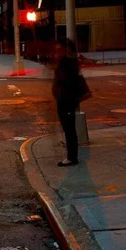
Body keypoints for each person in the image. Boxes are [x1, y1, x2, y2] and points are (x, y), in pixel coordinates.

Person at [52, 38, 89, 167]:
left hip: (67, 101)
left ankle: (71, 157)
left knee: (69, 129)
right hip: (67, 100)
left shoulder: (67, 63)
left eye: (59, 50)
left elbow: (67, 83)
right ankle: (71, 156)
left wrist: (65, 98)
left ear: (65, 49)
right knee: (69, 129)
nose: (56, 53)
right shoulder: (68, 62)